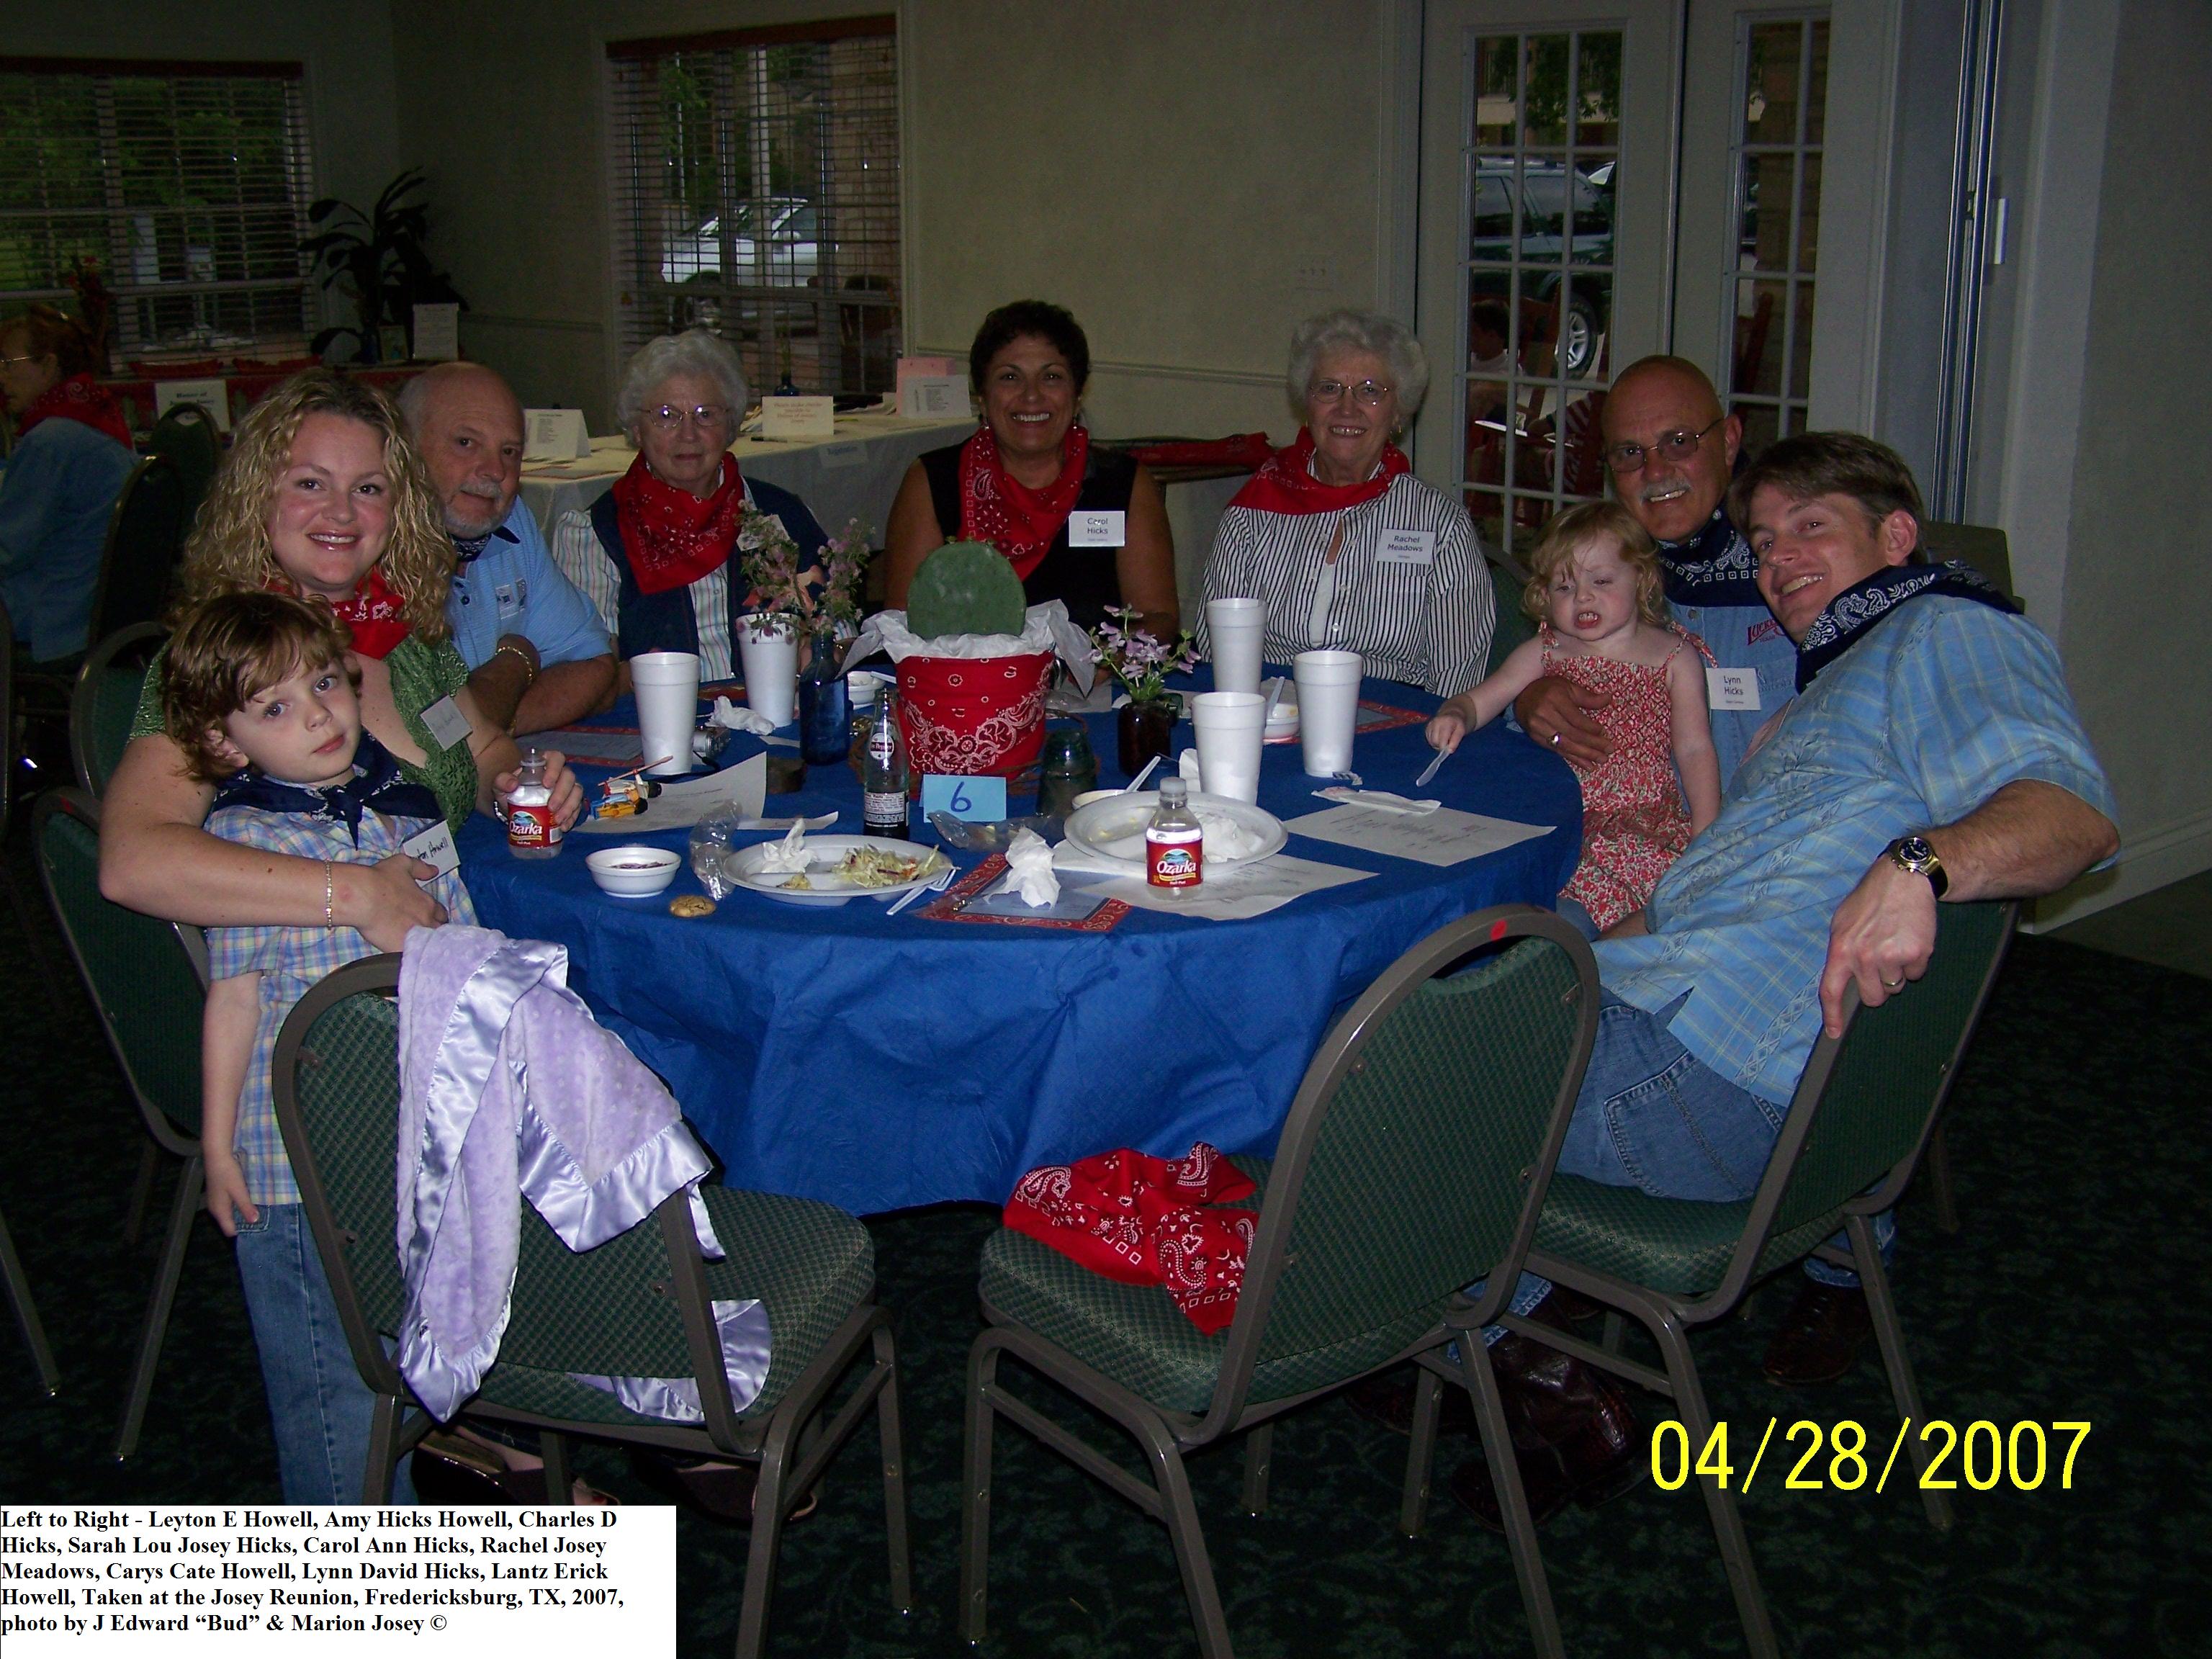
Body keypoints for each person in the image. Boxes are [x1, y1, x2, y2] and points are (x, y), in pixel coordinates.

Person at [1442, 431, 2116, 1529]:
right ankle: (1501, 1304)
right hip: (1705, 1039)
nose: (1777, 558)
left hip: (1700, 1072)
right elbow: (1688, 902)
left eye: (1812, 527)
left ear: (1897, 537)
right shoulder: (1838, 685)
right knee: (1449, 996)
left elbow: (2072, 815)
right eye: (1762, 541)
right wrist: (1564, 966)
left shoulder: (1947, 628)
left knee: (1350, 1081)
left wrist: (1918, 867)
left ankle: (1531, 1367)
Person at [162, 591, 474, 1503]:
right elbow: (234, 1000)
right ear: (225, 743)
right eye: (275, 707)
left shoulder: (403, 810)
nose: (317, 716)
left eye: (326, 684)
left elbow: (465, 956)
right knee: (331, 1392)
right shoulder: (246, 837)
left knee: (405, 1359)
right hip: (293, 1163)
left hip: (407, 1145)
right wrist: (221, 1148)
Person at [99, 369, 581, 954]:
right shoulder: (222, 657)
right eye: (311, 484)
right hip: (313, 984)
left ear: (398, 506)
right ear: (259, 497)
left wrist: (517, 788)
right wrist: (353, 894)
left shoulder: (406, 635)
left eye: (368, 489)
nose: (343, 513)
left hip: (435, 944)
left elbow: (480, 748)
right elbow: (132, 862)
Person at [1426, 500, 1719, 935]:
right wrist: (1456, 713)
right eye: (1564, 587)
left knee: (1635, 898)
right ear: (1545, 595)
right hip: (1557, 809)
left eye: (1601, 581)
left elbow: (1694, 747)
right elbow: (1484, 697)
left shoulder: (1675, 656)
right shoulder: (1546, 651)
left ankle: (1589, 947)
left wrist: (1706, 830)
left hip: (1640, 820)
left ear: (1640, 579)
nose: (1583, 596)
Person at [1515, 355, 1797, 787]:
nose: (1657, 471)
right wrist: (1530, 701)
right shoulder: (1600, 569)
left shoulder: (1793, 566)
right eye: (1630, 453)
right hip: (1628, 821)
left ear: (1728, 441)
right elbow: (1532, 675)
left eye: (1679, 442)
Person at [1202, 309, 1494, 697]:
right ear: (1307, 405)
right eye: (1329, 388)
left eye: (1370, 391)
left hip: (1395, 719)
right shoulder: (1251, 514)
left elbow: (1458, 675)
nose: (1347, 408)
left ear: (1397, 412)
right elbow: (1216, 655)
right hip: (1269, 715)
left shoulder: (1439, 525)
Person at [884, 300, 1178, 640]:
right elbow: (902, 626)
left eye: (1051, 377)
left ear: (1077, 395)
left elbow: (1159, 618)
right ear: (983, 396)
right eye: (1010, 377)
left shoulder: (1122, 484)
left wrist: (1098, 659)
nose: (1032, 396)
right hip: (963, 675)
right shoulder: (933, 481)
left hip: (1089, 675)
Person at [551, 329, 827, 683]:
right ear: (637, 429)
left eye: (705, 414)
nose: (688, 434)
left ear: (731, 426)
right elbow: (587, 673)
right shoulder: (593, 535)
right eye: (666, 415)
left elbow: (839, 630)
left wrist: (819, 650)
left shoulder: (780, 513)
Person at [396, 362, 616, 733]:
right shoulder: (368, 555)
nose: (494, 470)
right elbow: (420, 734)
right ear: (405, 448)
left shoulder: (511, 522)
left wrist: (489, 724)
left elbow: (594, 665)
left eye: (509, 451)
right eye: (466, 443)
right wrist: (516, 661)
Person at [0, 303, 136, 667]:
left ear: (48, 365)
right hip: (93, 608)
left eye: (9, 364)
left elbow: (8, 550)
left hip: (50, 615)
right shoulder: (96, 414)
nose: (2, 377)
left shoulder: (50, 440)